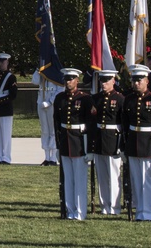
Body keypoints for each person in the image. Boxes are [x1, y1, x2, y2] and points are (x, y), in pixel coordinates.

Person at [122, 64, 151, 221]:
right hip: (133, 142)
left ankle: (149, 212)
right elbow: (124, 125)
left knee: (147, 179)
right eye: (134, 80)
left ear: (147, 80)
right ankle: (139, 211)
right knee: (136, 179)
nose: (136, 83)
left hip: (148, 143)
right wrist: (123, 147)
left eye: (139, 80)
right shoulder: (128, 99)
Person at [53, 68, 92, 221]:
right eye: (66, 79)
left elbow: (90, 124)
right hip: (65, 142)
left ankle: (80, 212)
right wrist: (57, 145)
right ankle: (70, 210)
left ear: (77, 80)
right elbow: (56, 123)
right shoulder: (60, 98)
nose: (68, 82)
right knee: (68, 179)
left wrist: (89, 148)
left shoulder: (85, 99)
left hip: (79, 142)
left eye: (71, 79)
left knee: (80, 180)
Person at [88, 69, 124, 215]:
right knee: (102, 176)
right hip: (99, 138)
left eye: (107, 81)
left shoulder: (120, 98)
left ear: (113, 81)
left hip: (113, 138)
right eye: (102, 81)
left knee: (114, 175)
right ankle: (104, 206)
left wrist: (121, 145)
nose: (104, 83)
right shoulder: (95, 98)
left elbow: (122, 122)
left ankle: (114, 207)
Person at [33, 66, 61, 166]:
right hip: (41, 102)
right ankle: (46, 157)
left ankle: (53, 157)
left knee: (53, 130)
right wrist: (38, 71)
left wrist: (50, 101)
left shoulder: (56, 73)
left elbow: (60, 89)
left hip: (51, 105)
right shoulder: (42, 72)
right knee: (45, 131)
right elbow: (35, 81)